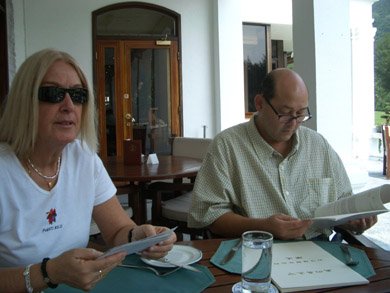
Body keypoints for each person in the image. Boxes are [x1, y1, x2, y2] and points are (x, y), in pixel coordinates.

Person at [0, 49, 176, 292]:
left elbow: (117, 231)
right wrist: (48, 273)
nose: (69, 105)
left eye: (78, 94)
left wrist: (140, 236)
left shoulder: (83, 157)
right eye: (53, 93)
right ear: (24, 101)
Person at [188, 68, 377, 241]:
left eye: (301, 114)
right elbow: (208, 216)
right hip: (256, 251)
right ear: (260, 104)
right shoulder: (227, 146)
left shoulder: (318, 146)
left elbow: (343, 203)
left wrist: (353, 220)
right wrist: (262, 227)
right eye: (285, 113)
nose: (294, 123)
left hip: (318, 251)